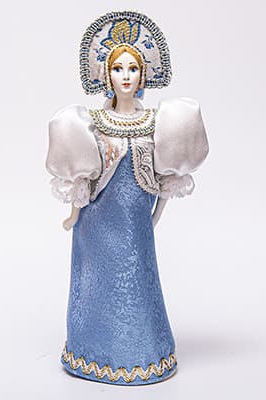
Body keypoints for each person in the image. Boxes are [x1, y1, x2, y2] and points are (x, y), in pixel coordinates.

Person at [45, 11, 209, 385]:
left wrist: (155, 216)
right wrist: (74, 215)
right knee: (96, 282)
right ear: (106, 75)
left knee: (137, 278)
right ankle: (91, 351)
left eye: (132, 69)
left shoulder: (157, 122)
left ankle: (142, 354)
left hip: (135, 222)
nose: (125, 76)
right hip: (97, 221)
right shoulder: (91, 123)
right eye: (118, 68)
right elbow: (83, 178)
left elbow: (166, 179)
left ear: (143, 75)